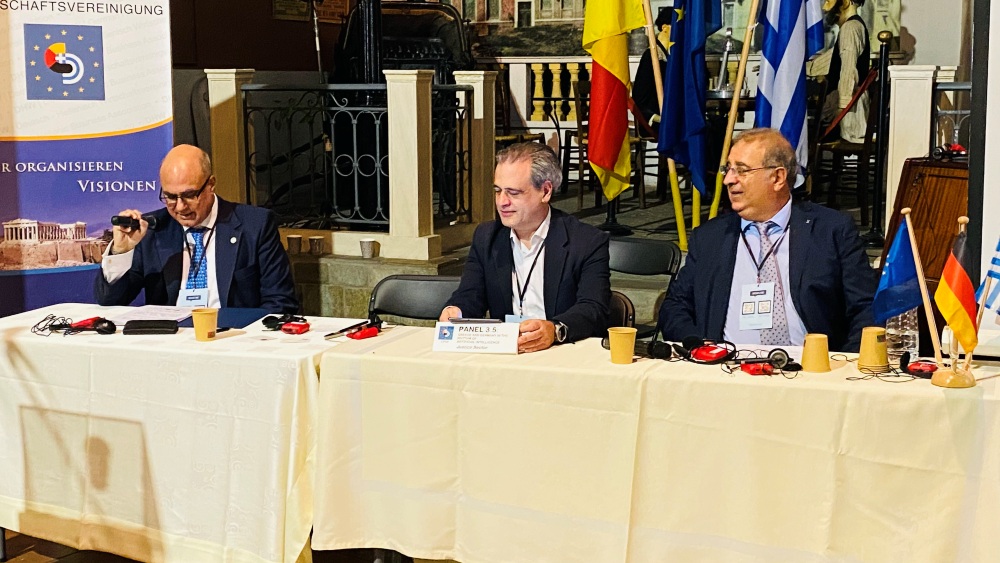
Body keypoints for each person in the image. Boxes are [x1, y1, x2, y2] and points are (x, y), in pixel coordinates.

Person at [658, 128, 876, 352]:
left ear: (778, 177)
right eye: (728, 169)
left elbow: (866, 306)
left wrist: (841, 362)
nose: (728, 180)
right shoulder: (710, 237)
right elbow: (675, 306)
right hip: (726, 364)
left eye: (741, 170)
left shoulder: (831, 230)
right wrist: (699, 347)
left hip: (809, 365)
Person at [440, 142, 611, 353]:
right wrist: (456, 310)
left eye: (513, 193)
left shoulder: (586, 241)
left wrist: (555, 329)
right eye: (498, 191)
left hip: (562, 351)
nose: (502, 202)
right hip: (507, 352)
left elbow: (593, 308)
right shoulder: (487, 237)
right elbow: (471, 294)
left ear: (545, 191)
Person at [94, 144, 299, 313]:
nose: (180, 207)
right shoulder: (151, 229)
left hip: (232, 338)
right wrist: (121, 251)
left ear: (211, 184)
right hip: (171, 340)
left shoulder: (255, 225)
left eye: (189, 195)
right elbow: (110, 302)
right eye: (170, 197)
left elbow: (280, 303)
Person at [820, 0, 870, 143]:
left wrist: (841, 109)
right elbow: (831, 60)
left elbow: (848, 70)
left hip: (848, 118)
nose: (825, 6)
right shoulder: (851, 27)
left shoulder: (850, 28)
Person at [631, 8, 671, 126]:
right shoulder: (651, 56)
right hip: (658, 120)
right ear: (665, 28)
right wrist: (657, 118)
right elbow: (639, 96)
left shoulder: (672, 55)